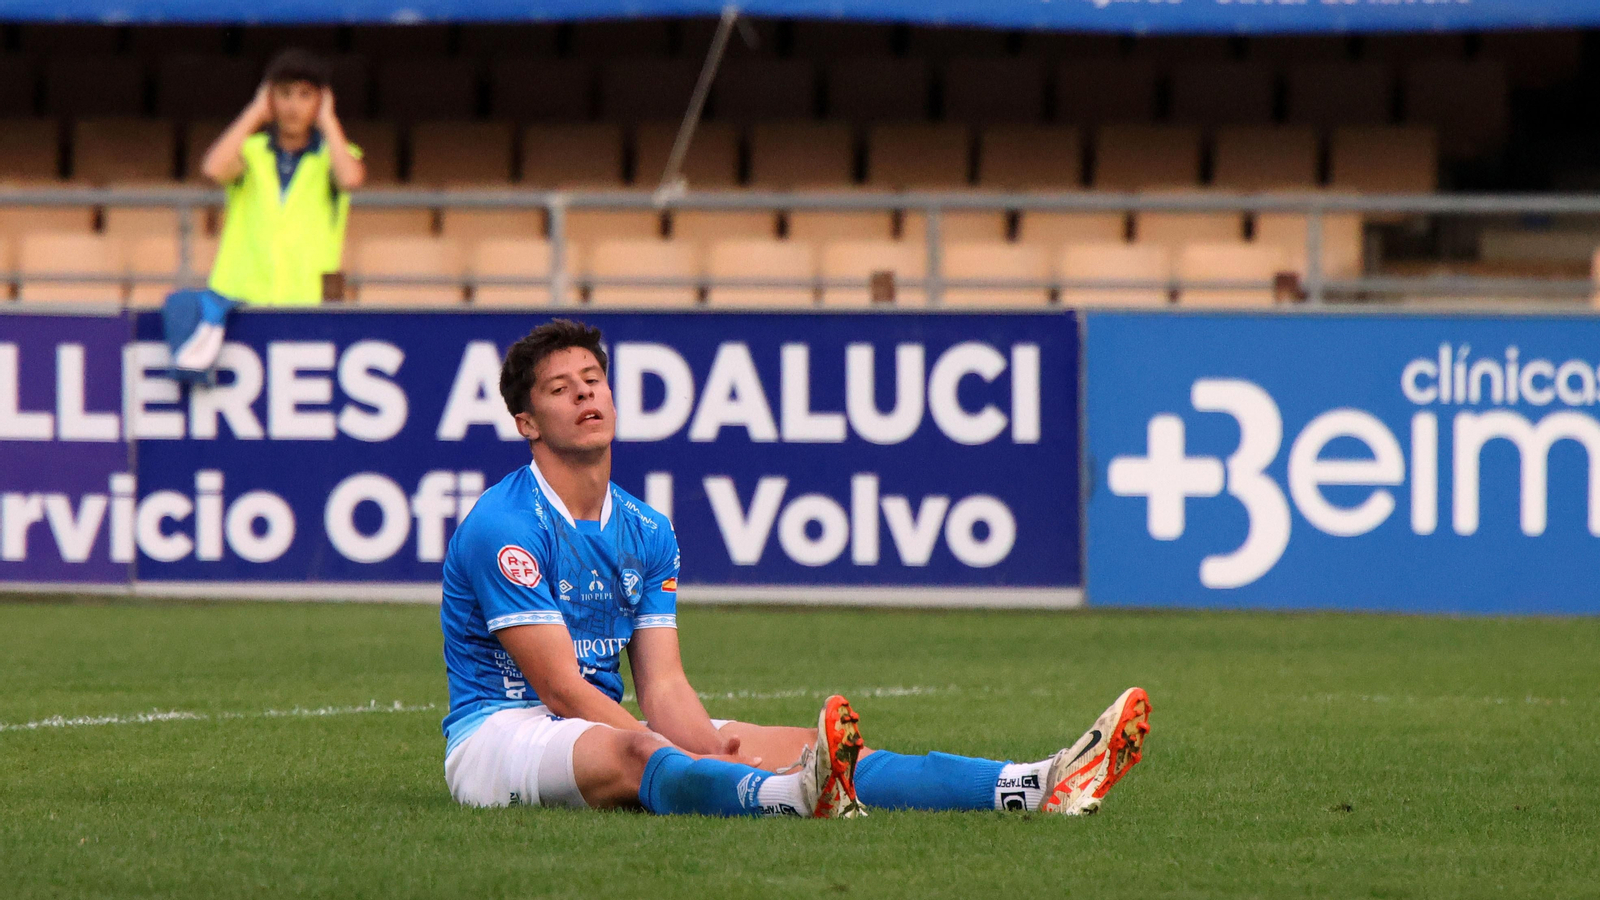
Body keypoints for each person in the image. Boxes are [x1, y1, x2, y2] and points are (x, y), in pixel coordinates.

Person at [439, 319, 1152, 818]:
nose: (586, 395)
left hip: (604, 725)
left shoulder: (647, 529)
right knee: (637, 752)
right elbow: (563, 691)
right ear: (526, 422)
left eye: (593, 379)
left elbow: (663, 682)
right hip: (502, 734)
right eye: (561, 389)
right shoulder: (504, 527)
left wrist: (707, 744)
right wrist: (668, 746)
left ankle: (1032, 783)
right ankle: (788, 799)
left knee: (816, 748)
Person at [201, 48, 365, 306]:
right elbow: (213, 168)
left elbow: (350, 179)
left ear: (320, 101)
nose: (293, 106)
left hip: (308, 300)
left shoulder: (333, 154)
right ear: (270, 98)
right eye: (284, 94)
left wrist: (328, 120)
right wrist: (254, 112)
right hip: (240, 300)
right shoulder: (250, 151)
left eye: (305, 95)